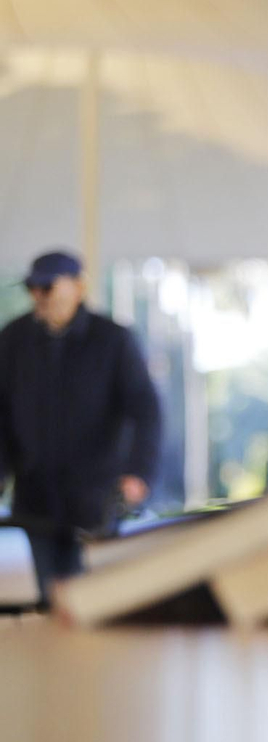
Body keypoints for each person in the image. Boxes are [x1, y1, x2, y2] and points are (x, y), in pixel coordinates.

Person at [0, 250, 161, 603]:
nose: (38, 296)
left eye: (47, 286)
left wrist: (139, 472)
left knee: (89, 596)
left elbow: (146, 409)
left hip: (94, 500)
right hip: (35, 498)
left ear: (77, 286)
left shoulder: (113, 340)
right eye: (32, 287)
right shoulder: (13, 340)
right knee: (49, 598)